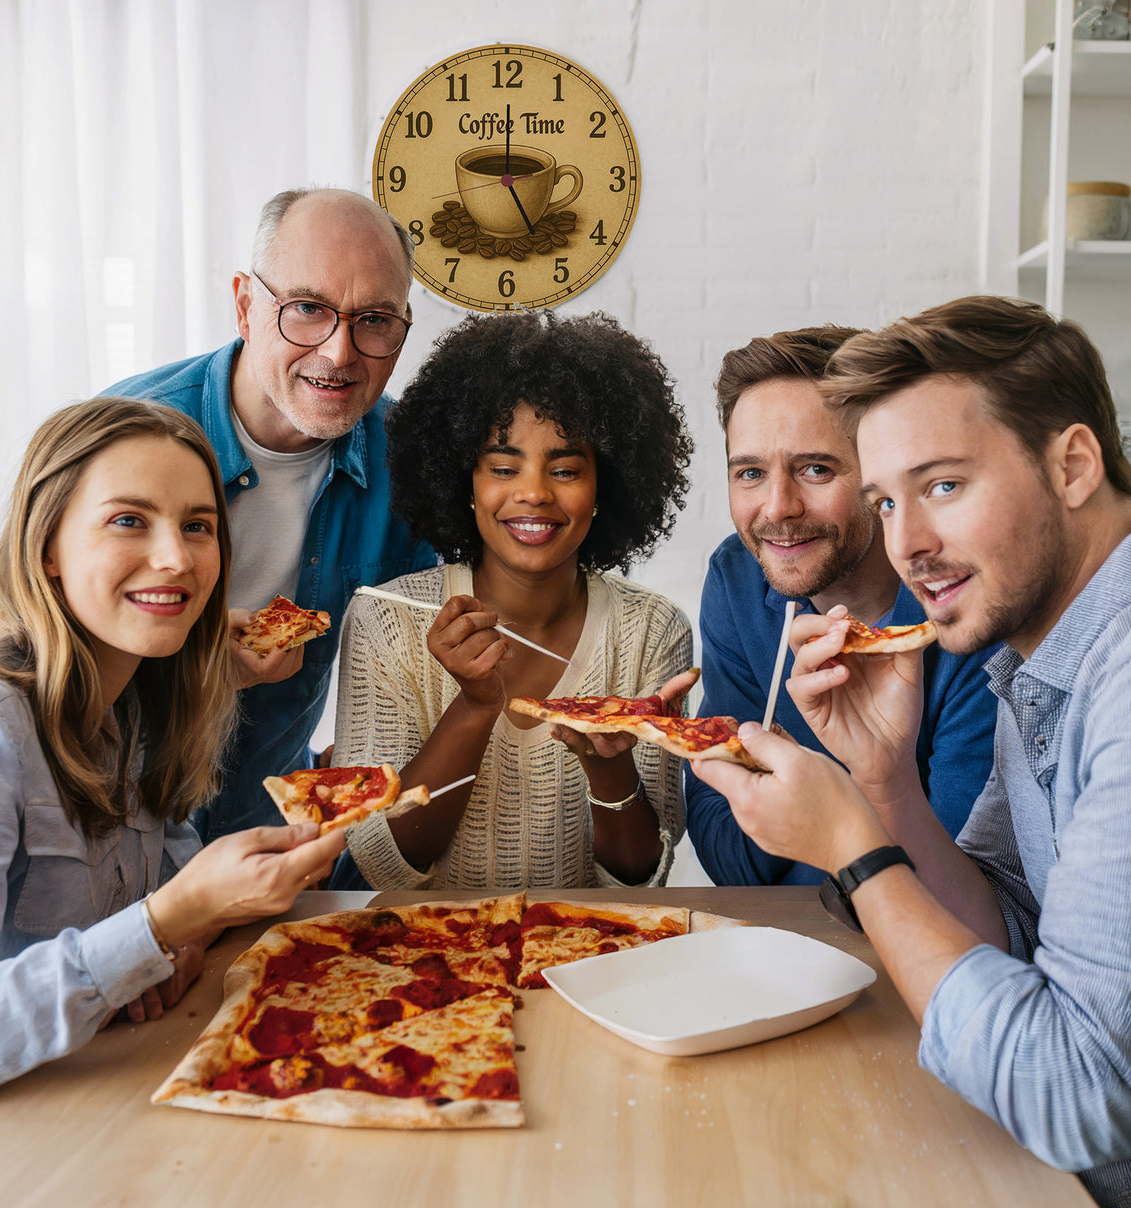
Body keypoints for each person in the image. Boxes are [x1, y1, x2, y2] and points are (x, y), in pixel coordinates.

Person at [693, 297, 1131, 1208]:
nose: (908, 545)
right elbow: (1005, 929)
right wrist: (887, 783)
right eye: (888, 500)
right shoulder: (1036, 648)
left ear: (1074, 465)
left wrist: (858, 847)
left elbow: (1076, 1097)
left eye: (941, 486)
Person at [0, 398, 345, 1137]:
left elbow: (159, 897)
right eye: (128, 520)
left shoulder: (141, 694)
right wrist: (170, 920)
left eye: (198, 526)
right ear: (47, 545)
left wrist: (170, 944)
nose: (177, 558)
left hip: (97, 1103)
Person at [106, 188, 435, 843]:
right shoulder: (118, 437)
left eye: (374, 319)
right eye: (308, 309)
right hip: (108, 838)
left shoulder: (415, 466)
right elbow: (36, 663)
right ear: (245, 304)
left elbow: (416, 674)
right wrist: (197, 664)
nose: (340, 353)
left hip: (271, 843)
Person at [330, 310, 697, 890]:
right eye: (503, 466)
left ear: (607, 486)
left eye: (567, 469)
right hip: (425, 964)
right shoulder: (387, 619)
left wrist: (609, 767)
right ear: (464, 482)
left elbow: (640, 878)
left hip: (591, 962)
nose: (533, 492)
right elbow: (384, 864)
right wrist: (475, 705)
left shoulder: (652, 629)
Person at [685, 325, 997, 885]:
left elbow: (961, 882)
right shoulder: (736, 577)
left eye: (816, 469)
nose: (778, 508)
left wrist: (806, 802)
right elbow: (724, 853)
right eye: (751, 473)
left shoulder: (966, 610)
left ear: (878, 478)